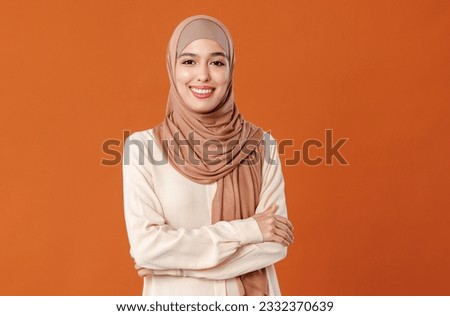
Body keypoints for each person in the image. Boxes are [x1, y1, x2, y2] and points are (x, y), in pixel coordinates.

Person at [122, 15, 293, 296]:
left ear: (230, 69)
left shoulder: (261, 146)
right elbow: (146, 247)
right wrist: (248, 230)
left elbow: (273, 245)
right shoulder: (142, 148)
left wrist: (173, 265)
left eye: (216, 62)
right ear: (172, 67)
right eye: (189, 61)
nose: (203, 75)